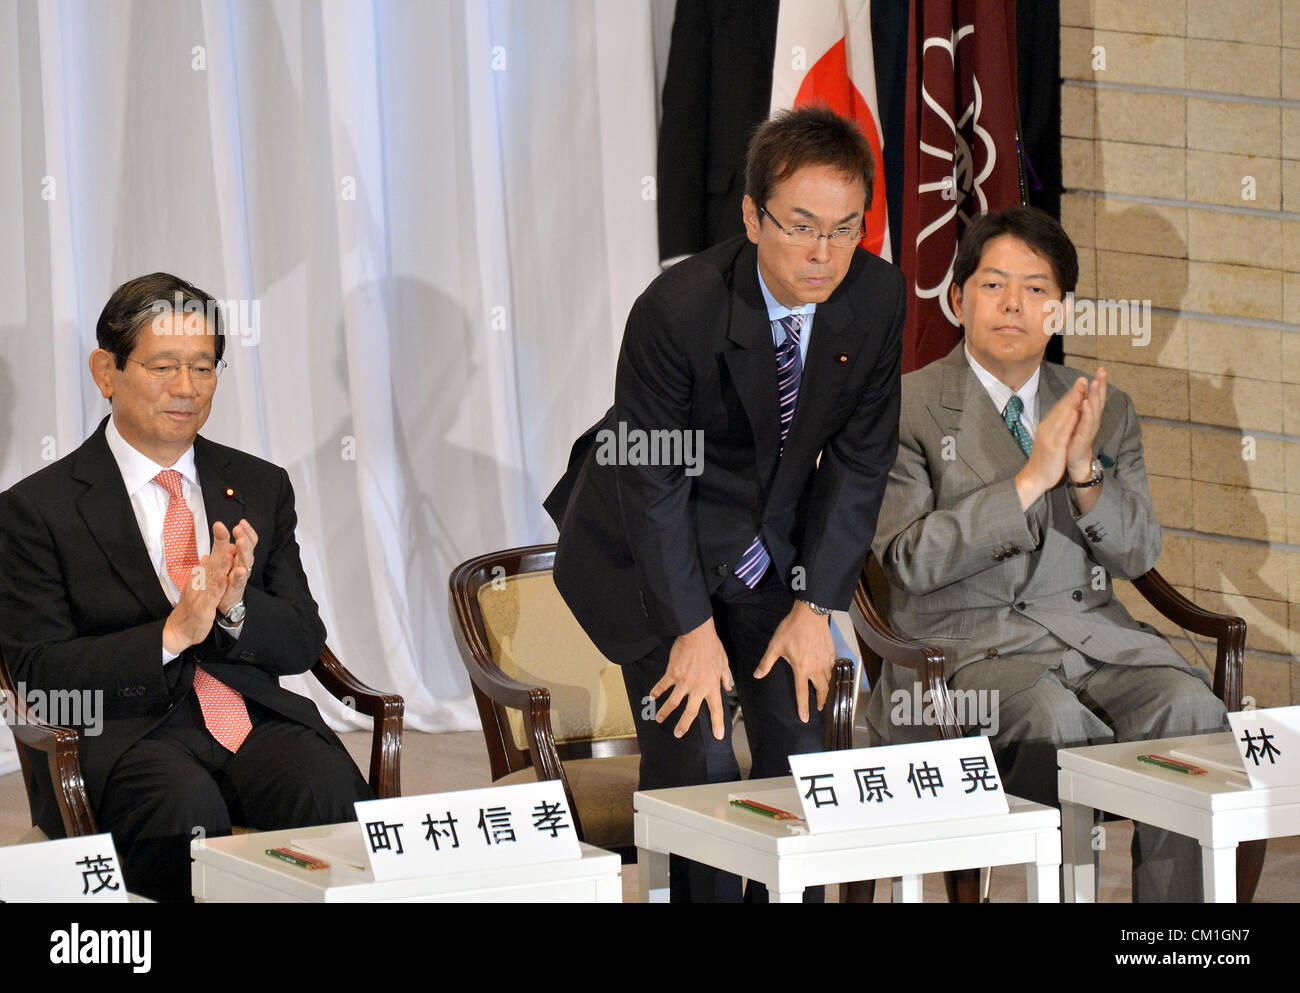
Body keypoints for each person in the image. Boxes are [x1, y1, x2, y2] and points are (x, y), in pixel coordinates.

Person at [545, 106, 905, 902]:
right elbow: (654, 479)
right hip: (642, 546)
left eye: (846, 228)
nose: (823, 253)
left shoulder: (876, 297)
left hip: (763, 544)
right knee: (701, 748)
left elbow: (859, 456)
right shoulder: (678, 309)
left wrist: (818, 605)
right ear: (752, 214)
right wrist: (689, 628)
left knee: (804, 747)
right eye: (802, 226)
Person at [864, 205, 1227, 902]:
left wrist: (1085, 470)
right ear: (957, 296)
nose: (1013, 305)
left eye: (1036, 290)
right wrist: (1030, 480)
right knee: (1055, 721)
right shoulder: (906, 407)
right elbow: (908, 559)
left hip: (1098, 643)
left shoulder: (1100, 405)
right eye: (995, 284)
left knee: (1188, 707)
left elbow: (1138, 550)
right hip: (964, 655)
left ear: (1060, 311)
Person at [0, 273, 372, 902]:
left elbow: (303, 642)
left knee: (325, 784)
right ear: (106, 371)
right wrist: (172, 635)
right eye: (164, 366)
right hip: (118, 733)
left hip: (249, 716)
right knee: (182, 811)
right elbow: (38, 674)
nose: (186, 389)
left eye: (203, 368)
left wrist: (234, 609)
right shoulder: (37, 509)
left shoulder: (259, 484)